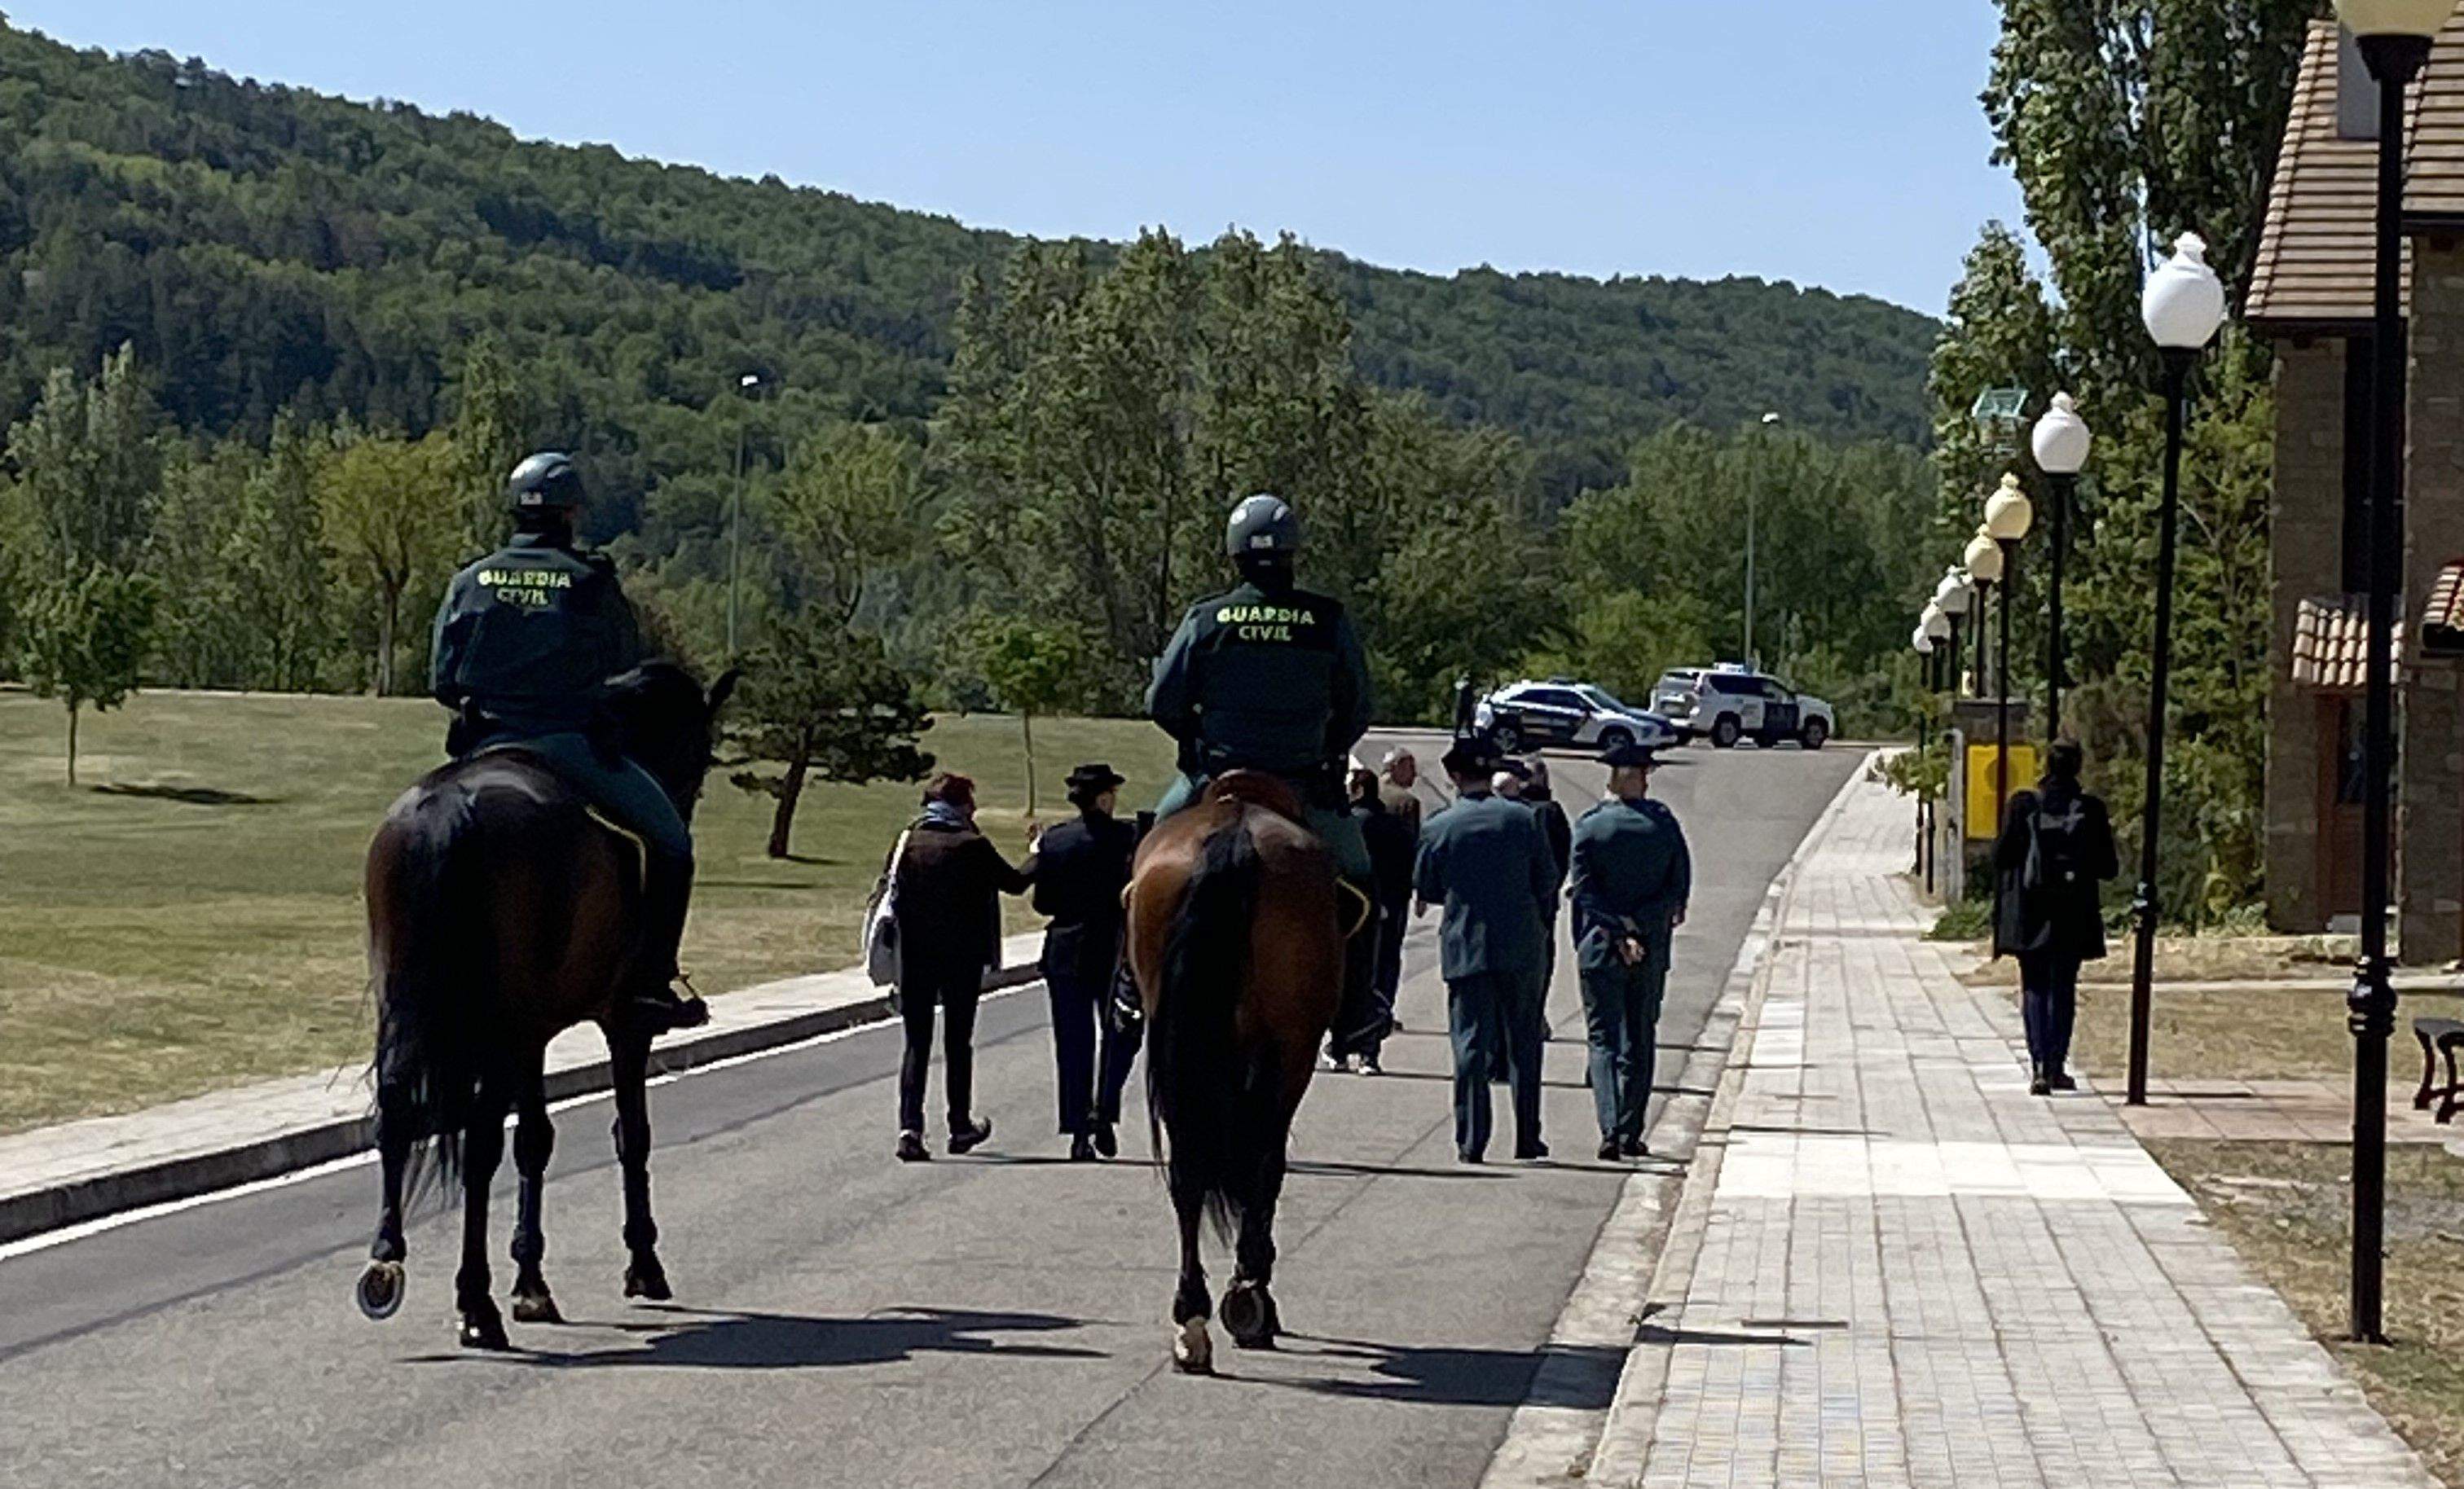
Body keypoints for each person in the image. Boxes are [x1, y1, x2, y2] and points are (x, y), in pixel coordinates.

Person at [429, 451, 706, 1034]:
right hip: (567, 743)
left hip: (484, 743)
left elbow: (443, 680)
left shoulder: (470, 579)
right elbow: (623, 669)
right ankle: (652, 980)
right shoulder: (588, 581)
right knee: (672, 842)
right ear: (572, 511)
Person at [1146, 492, 1379, 1042]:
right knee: (1365, 882)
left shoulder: (1208, 617)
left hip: (1215, 776)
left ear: (1234, 556)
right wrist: (1328, 748)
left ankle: (1131, 988)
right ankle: (1355, 1012)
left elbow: (1162, 701)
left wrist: (1196, 742)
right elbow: (1359, 704)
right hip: (1303, 782)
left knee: (1148, 856)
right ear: (1293, 553)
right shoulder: (1326, 620)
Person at [1414, 740, 1559, 1162]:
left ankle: (1472, 1140)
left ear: (1455, 777)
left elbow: (1428, 887)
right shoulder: (1524, 819)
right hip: (1521, 941)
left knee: (1471, 1044)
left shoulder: (1440, 826)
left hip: (1466, 943)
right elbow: (1546, 879)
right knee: (1524, 1040)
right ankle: (1528, 1136)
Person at [889, 771, 1033, 1162]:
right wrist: (1038, 850)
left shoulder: (908, 842)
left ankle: (910, 1128)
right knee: (958, 1043)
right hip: (962, 958)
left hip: (915, 957)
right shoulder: (972, 845)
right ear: (961, 806)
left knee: (916, 1043)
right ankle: (958, 1125)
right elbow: (1016, 883)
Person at [1569, 742, 1691, 1161]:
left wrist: (1619, 929)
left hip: (1601, 944)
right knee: (1640, 1036)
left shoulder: (1590, 826)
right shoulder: (1663, 824)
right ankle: (1630, 1129)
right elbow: (1677, 885)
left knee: (1603, 1040)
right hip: (1650, 946)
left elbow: (1583, 891)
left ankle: (1608, 1126)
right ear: (1642, 776)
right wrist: (1641, 926)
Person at [1993, 740, 2119, 1096]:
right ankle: (2057, 1064)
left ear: (2045, 766)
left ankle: (2037, 1067)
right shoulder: (2091, 809)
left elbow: (2002, 857)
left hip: (2030, 913)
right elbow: (2108, 868)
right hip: (2073, 912)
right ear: (2079, 767)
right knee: (2063, 987)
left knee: (2033, 986)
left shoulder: (2023, 805)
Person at [1032, 762, 1140, 1159]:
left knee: (1073, 1042)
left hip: (1066, 947)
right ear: (1105, 797)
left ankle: (1078, 1129)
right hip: (1114, 947)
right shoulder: (1129, 838)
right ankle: (1104, 1109)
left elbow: (1042, 902)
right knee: (1122, 1033)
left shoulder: (1055, 840)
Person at [1336, 765, 1417, 1074]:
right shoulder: (1395, 825)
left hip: (1351, 911)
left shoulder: (1347, 825)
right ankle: (1371, 1051)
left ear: (1356, 791)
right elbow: (1409, 864)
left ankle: (1342, 1046)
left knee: (1346, 974)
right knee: (1382, 974)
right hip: (1390, 909)